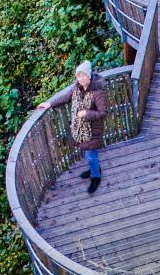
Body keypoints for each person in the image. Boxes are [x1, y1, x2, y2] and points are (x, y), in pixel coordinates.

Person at [37, 60, 108, 194]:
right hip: (81, 130)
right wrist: (49, 104)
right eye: (78, 76)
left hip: (93, 130)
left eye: (83, 75)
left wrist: (87, 113)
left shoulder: (98, 92)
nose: (81, 78)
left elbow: (103, 112)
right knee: (91, 155)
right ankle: (95, 169)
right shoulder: (77, 89)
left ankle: (96, 177)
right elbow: (65, 98)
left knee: (90, 155)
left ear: (89, 76)